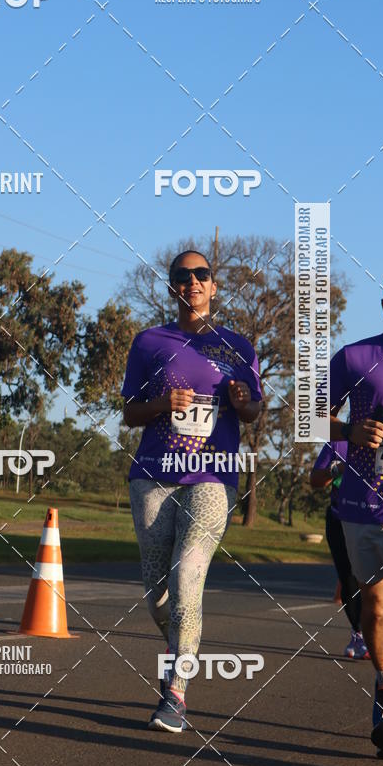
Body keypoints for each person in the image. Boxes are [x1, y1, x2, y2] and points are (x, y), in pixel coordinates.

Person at [122, 249, 262, 732]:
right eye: (183, 276)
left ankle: (176, 692)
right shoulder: (149, 342)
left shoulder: (237, 347)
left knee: (187, 584)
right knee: (158, 598)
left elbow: (253, 412)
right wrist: (162, 402)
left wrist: (242, 401)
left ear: (214, 285)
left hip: (212, 476)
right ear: (173, 287)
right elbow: (129, 412)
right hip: (154, 476)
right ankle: (180, 643)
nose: (193, 281)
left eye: (201, 274)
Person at [329, 265, 383, 758]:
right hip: (360, 505)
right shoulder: (355, 358)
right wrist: (349, 433)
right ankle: (382, 684)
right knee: (376, 611)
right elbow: (309, 419)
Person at [310, 440, 369, 659]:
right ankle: (359, 633)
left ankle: (381, 630)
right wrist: (338, 469)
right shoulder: (338, 442)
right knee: (349, 579)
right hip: (340, 519)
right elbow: (315, 480)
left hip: (379, 522)